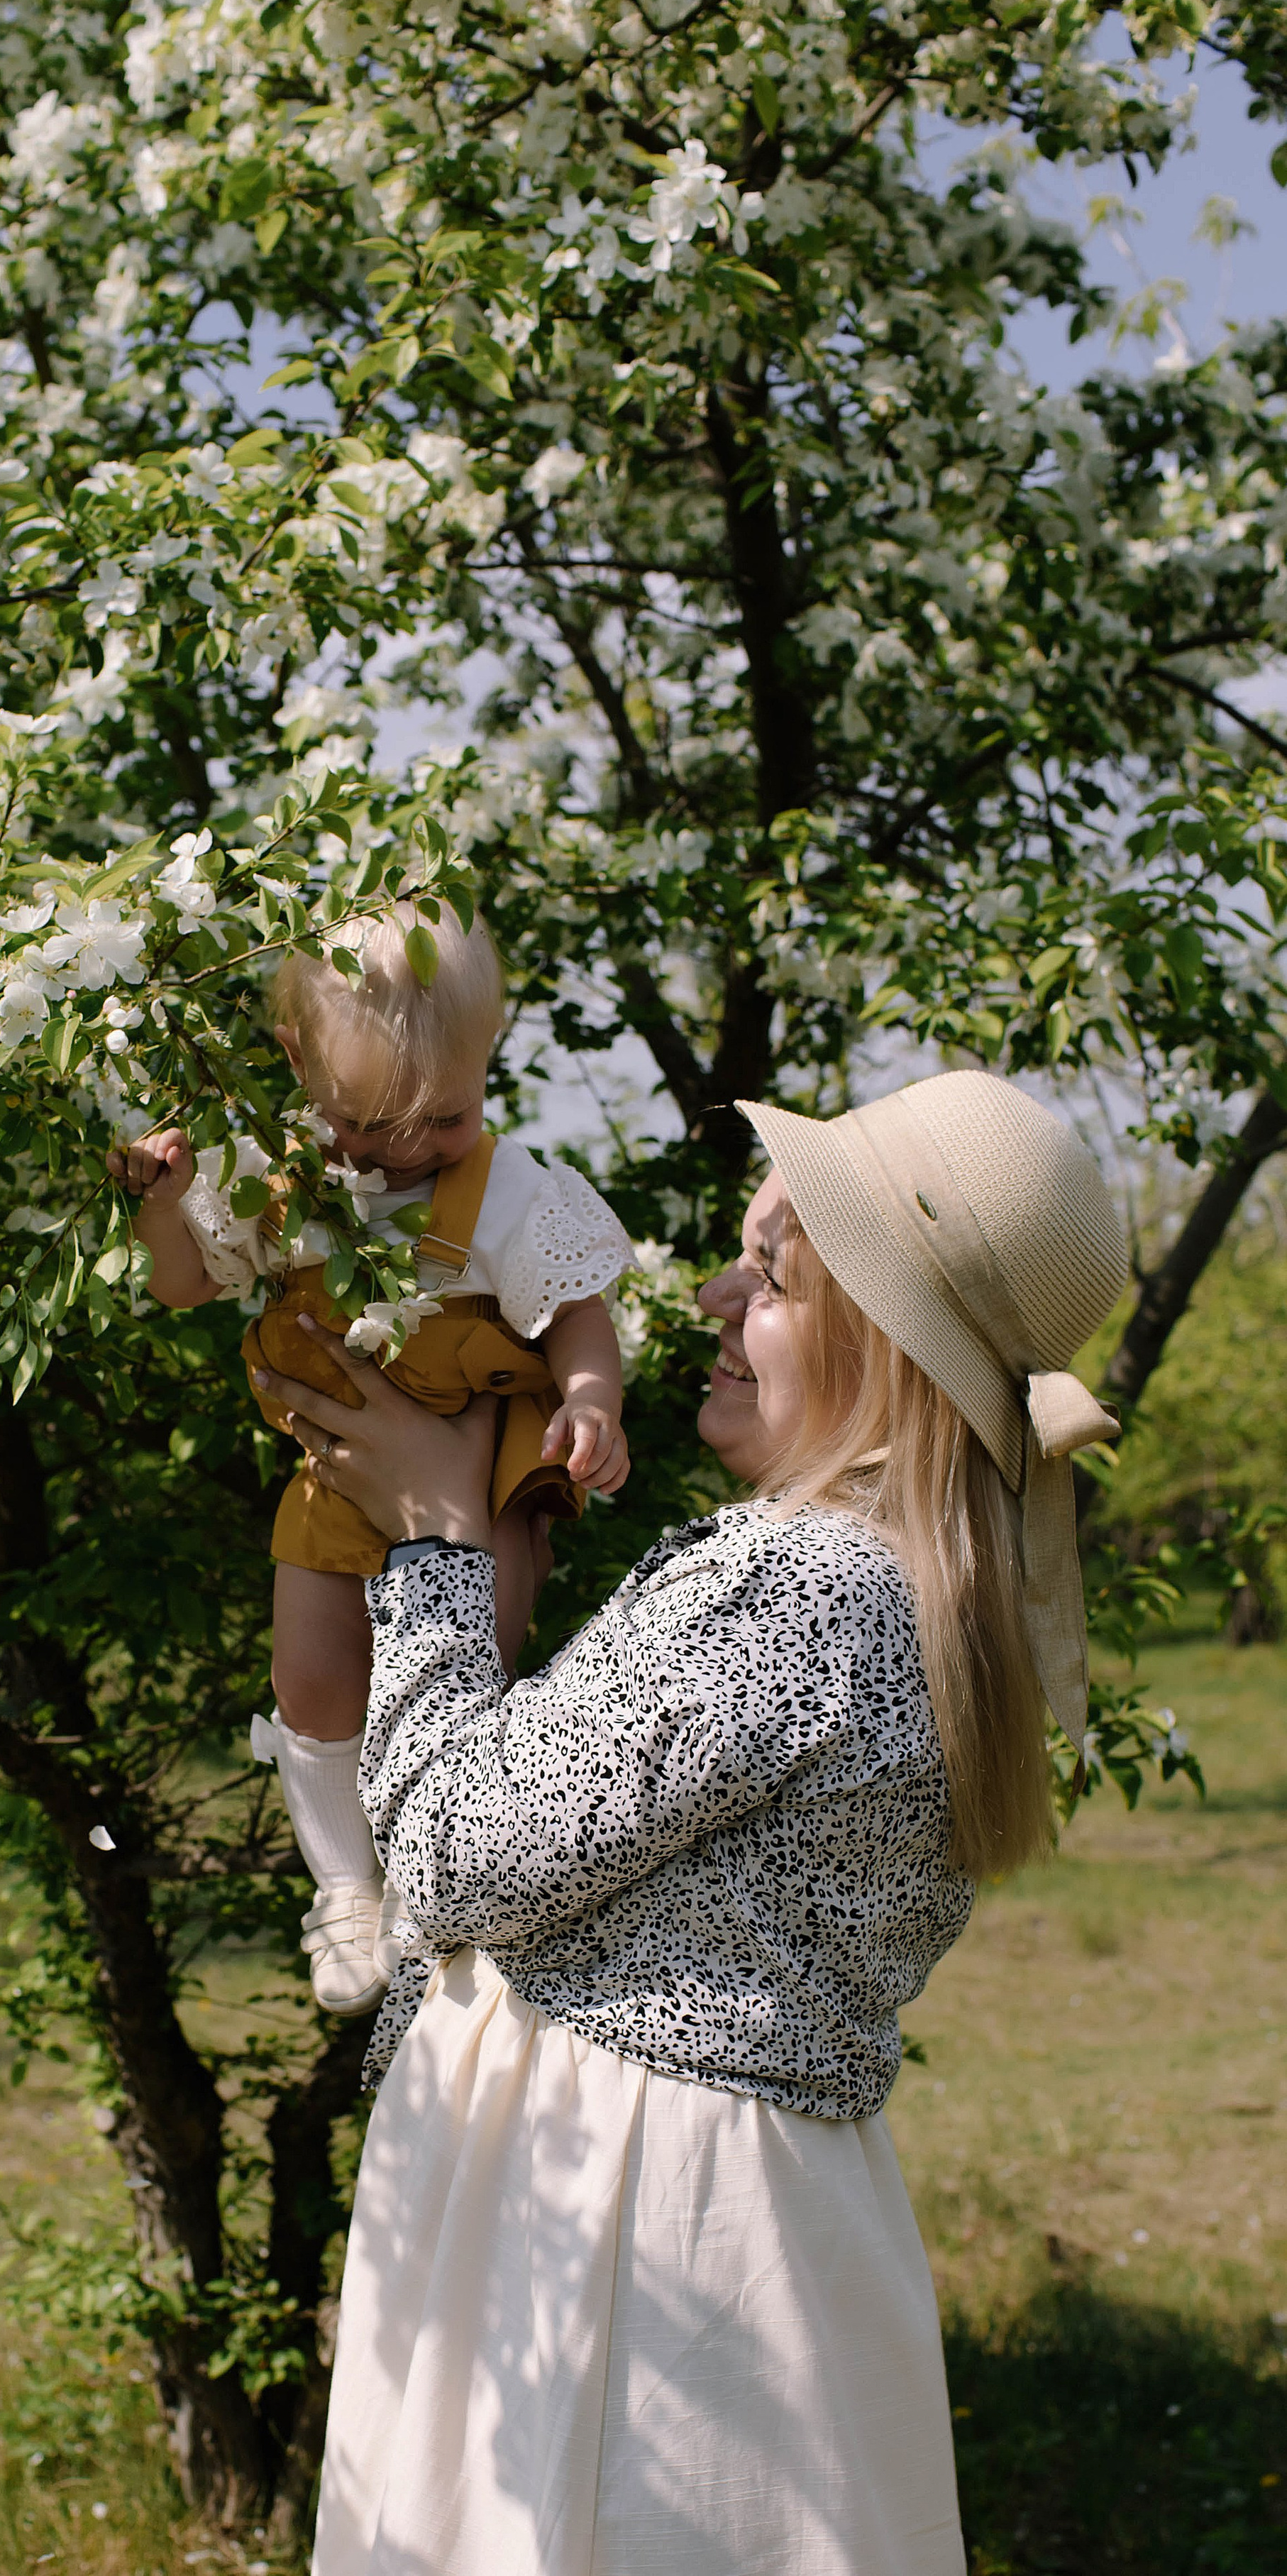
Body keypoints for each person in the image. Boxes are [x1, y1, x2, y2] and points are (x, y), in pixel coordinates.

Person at [249, 1068, 1128, 2576]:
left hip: (628, 2238)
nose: (715, 1293)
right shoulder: (879, 1583)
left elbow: (453, 1855)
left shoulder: (799, 1589)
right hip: (684, 2217)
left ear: (879, 1335)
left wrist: (442, 1533)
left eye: (771, 1271)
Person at [106, 908, 636, 2013]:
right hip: (337, 1474)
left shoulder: (510, 1191)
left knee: (462, 1663)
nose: (402, 1149)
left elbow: (577, 1313)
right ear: (298, 1064)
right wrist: (162, 1209)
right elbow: (187, 1283)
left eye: (443, 1117)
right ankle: (346, 1889)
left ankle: (430, 1866)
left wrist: (589, 1398)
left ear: (487, 1064)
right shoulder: (273, 1173)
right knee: (310, 1680)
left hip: (471, 1478)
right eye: (364, 1122)